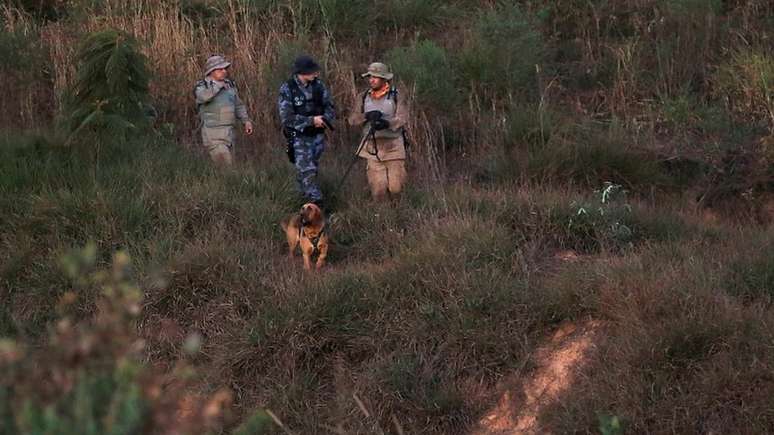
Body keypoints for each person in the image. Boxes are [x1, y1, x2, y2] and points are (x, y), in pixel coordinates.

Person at [278, 55, 336, 206]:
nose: (315, 73)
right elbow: (287, 118)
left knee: (309, 171)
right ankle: (318, 204)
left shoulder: (319, 86)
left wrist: (324, 119)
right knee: (307, 170)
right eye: (312, 71)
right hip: (299, 138)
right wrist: (311, 121)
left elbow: (330, 107)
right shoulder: (288, 88)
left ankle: (298, 200)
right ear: (302, 72)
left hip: (317, 137)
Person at [347, 62, 409, 201]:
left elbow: (402, 117)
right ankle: (381, 218)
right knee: (378, 190)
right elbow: (352, 120)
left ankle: (399, 213)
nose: (372, 80)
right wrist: (366, 117)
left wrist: (386, 123)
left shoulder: (396, 95)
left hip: (393, 146)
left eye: (376, 77)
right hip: (371, 147)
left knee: (396, 187)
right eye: (370, 77)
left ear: (384, 78)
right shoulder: (362, 97)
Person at [194, 55, 254, 166]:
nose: (224, 71)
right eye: (220, 69)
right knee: (226, 167)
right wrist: (217, 87)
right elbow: (203, 97)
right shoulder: (203, 86)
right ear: (211, 71)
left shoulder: (229, 85)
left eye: (225, 68)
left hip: (229, 135)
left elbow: (238, 105)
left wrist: (246, 121)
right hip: (213, 135)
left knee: (228, 169)